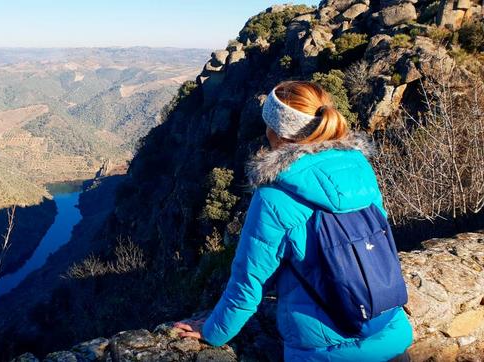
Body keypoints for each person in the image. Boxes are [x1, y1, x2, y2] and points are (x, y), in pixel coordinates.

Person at [172, 81, 413, 361]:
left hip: (325, 353)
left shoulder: (275, 197)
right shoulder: (359, 168)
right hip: (391, 335)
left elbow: (248, 284)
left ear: (275, 130)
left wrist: (213, 332)